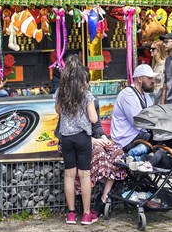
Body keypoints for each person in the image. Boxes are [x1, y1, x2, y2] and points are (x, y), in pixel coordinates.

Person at [54, 55, 99, 225]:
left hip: (66, 138)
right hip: (82, 138)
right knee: (84, 175)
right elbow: (94, 119)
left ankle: (71, 214)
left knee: (69, 176)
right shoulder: (86, 94)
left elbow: (58, 110)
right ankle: (87, 214)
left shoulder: (60, 93)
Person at [111, 64, 156, 152]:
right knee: (157, 137)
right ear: (140, 79)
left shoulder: (145, 95)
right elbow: (138, 123)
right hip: (126, 141)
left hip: (137, 135)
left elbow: (152, 114)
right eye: (149, 78)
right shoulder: (127, 94)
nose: (153, 81)